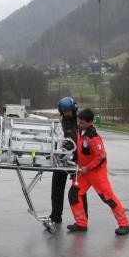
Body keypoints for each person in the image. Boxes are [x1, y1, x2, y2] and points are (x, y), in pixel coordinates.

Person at [67, 108, 129, 235]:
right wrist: (74, 158)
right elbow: (80, 150)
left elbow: (101, 158)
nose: (79, 124)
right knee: (73, 194)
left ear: (90, 122)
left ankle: (124, 224)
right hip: (84, 173)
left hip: (96, 173)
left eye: (82, 122)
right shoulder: (80, 132)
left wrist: (88, 167)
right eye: (79, 121)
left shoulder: (94, 138)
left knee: (108, 198)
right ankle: (81, 223)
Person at [49, 96, 80, 224]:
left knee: (78, 192)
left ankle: (81, 220)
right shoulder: (58, 123)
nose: (67, 113)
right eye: (64, 111)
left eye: (69, 111)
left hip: (77, 161)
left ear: (74, 110)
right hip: (62, 159)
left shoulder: (80, 122)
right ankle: (56, 215)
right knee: (56, 189)